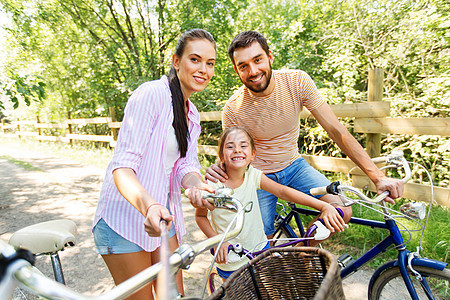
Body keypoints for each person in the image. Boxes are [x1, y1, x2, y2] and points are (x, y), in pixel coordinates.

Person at [205, 30, 404, 243]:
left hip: (294, 166)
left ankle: (303, 255)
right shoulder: (233, 108)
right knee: (259, 242)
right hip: (257, 177)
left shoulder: (296, 81)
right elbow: (231, 153)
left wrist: (377, 177)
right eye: (243, 66)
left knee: (342, 210)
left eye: (258, 60)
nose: (253, 70)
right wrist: (219, 169)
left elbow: (336, 130)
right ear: (236, 70)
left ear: (270, 57)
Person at [92, 29, 216, 300]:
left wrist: (198, 187)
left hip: (162, 218)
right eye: (195, 60)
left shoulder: (191, 113)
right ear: (176, 61)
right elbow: (123, 166)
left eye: (210, 63)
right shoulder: (151, 94)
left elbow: (185, 165)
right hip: (124, 220)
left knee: (175, 297)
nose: (203, 69)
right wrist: (149, 205)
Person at [193, 127, 346, 280]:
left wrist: (323, 205)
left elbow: (282, 191)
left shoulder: (253, 175)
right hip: (230, 258)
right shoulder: (212, 186)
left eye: (243, 146)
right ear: (221, 155)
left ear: (253, 154)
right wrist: (217, 241)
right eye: (230, 146)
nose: (237, 150)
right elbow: (200, 217)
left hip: (259, 250)